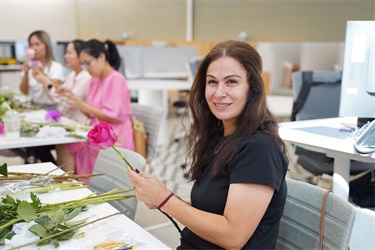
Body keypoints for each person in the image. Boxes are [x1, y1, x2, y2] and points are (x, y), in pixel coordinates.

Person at [128, 40, 289, 249]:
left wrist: (165, 199)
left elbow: (233, 237)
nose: (219, 92)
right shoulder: (221, 138)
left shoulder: (260, 148)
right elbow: (212, 214)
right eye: (212, 82)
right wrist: (164, 200)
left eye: (231, 82)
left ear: (253, 88)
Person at [58, 39, 135, 181]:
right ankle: (72, 185)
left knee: (69, 146)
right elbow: (92, 112)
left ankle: (81, 185)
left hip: (113, 134)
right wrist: (75, 101)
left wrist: (83, 105)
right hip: (98, 131)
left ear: (101, 57)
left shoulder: (116, 79)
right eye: (84, 65)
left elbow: (114, 116)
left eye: (88, 63)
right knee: (64, 144)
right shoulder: (94, 80)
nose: (86, 69)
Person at [19, 30, 64, 164]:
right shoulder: (30, 67)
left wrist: (42, 77)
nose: (34, 48)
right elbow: (24, 90)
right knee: (31, 144)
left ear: (46, 45)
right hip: (34, 109)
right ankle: (38, 166)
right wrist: (26, 73)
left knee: (36, 146)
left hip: (50, 112)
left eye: (37, 44)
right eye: (31, 45)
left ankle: (35, 165)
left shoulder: (56, 67)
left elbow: (54, 90)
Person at [51, 39, 91, 124]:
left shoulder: (86, 77)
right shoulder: (72, 75)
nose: (66, 56)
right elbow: (57, 96)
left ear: (81, 55)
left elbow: (69, 103)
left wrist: (45, 81)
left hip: (79, 123)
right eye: (66, 53)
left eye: (69, 53)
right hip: (69, 120)